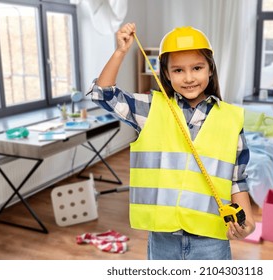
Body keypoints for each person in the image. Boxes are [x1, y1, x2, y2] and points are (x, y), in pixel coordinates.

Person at [88, 22, 255, 260]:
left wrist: (247, 223)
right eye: (178, 70)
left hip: (211, 239)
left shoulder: (231, 117)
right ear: (165, 73)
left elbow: (237, 179)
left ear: (210, 69)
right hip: (162, 237)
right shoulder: (149, 108)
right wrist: (120, 52)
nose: (188, 78)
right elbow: (102, 94)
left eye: (197, 67)